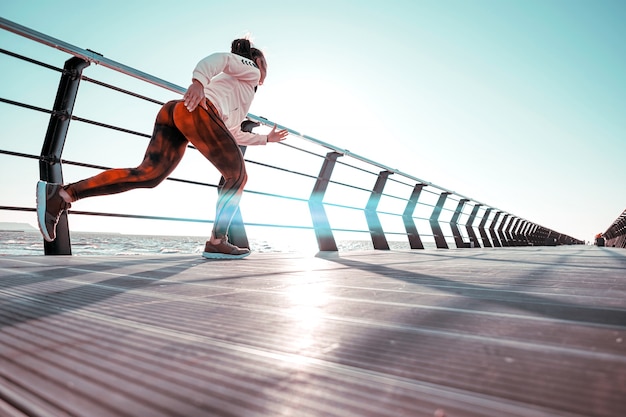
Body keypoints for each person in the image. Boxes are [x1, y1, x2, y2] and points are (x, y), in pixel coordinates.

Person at [37, 38, 288, 259]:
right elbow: (221, 59)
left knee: (149, 175)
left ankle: (61, 196)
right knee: (238, 176)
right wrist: (198, 82)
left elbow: (232, 133)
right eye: (265, 65)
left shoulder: (237, 90)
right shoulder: (251, 71)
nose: (265, 73)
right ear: (256, 61)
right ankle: (217, 242)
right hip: (199, 109)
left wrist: (267, 139)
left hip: (177, 112)